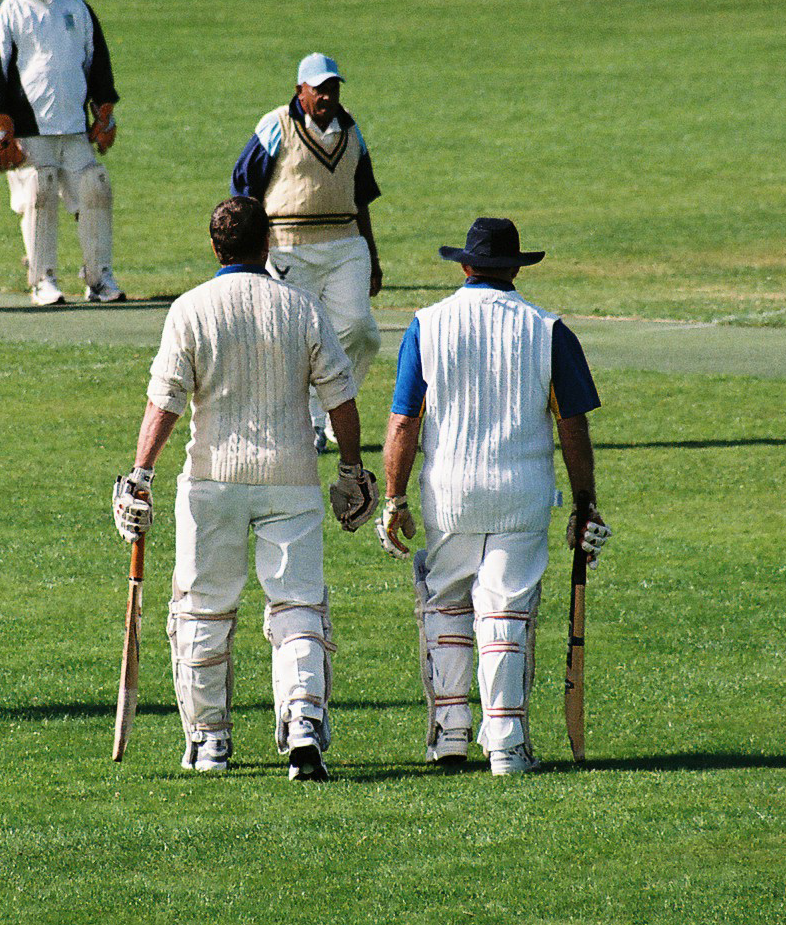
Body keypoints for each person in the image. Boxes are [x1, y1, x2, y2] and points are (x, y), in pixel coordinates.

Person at [112, 196, 379, 782]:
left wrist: (141, 473)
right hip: (291, 478)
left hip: (212, 479)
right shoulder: (302, 308)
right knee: (297, 605)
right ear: (268, 246)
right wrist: (352, 470)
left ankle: (209, 741)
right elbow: (341, 396)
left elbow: (166, 400)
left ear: (215, 249)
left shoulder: (190, 309)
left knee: (204, 611)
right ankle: (304, 723)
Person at [375, 217, 612, 775]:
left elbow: (404, 421)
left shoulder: (426, 324)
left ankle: (452, 734)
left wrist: (394, 498)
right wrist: (585, 503)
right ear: (515, 269)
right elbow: (572, 426)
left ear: (464, 266)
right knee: (506, 608)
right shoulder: (547, 329)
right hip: (520, 493)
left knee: (448, 604)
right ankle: (505, 743)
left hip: (449, 492)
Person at [231, 53, 382, 452]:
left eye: (333, 88)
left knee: (361, 332)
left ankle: (327, 409)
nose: (327, 96)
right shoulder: (276, 125)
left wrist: (374, 257)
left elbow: (362, 198)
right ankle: (312, 422)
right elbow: (243, 184)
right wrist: (250, 248)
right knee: (293, 338)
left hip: (346, 244)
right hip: (287, 247)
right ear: (301, 89)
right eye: (320, 89)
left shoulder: (352, 129)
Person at [0, 0, 124, 307]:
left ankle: (99, 277)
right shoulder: (6, 12)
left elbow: (97, 63)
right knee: (39, 196)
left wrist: (103, 111)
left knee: (95, 188)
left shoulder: (76, 7)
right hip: (29, 129)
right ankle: (42, 280)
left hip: (73, 126)